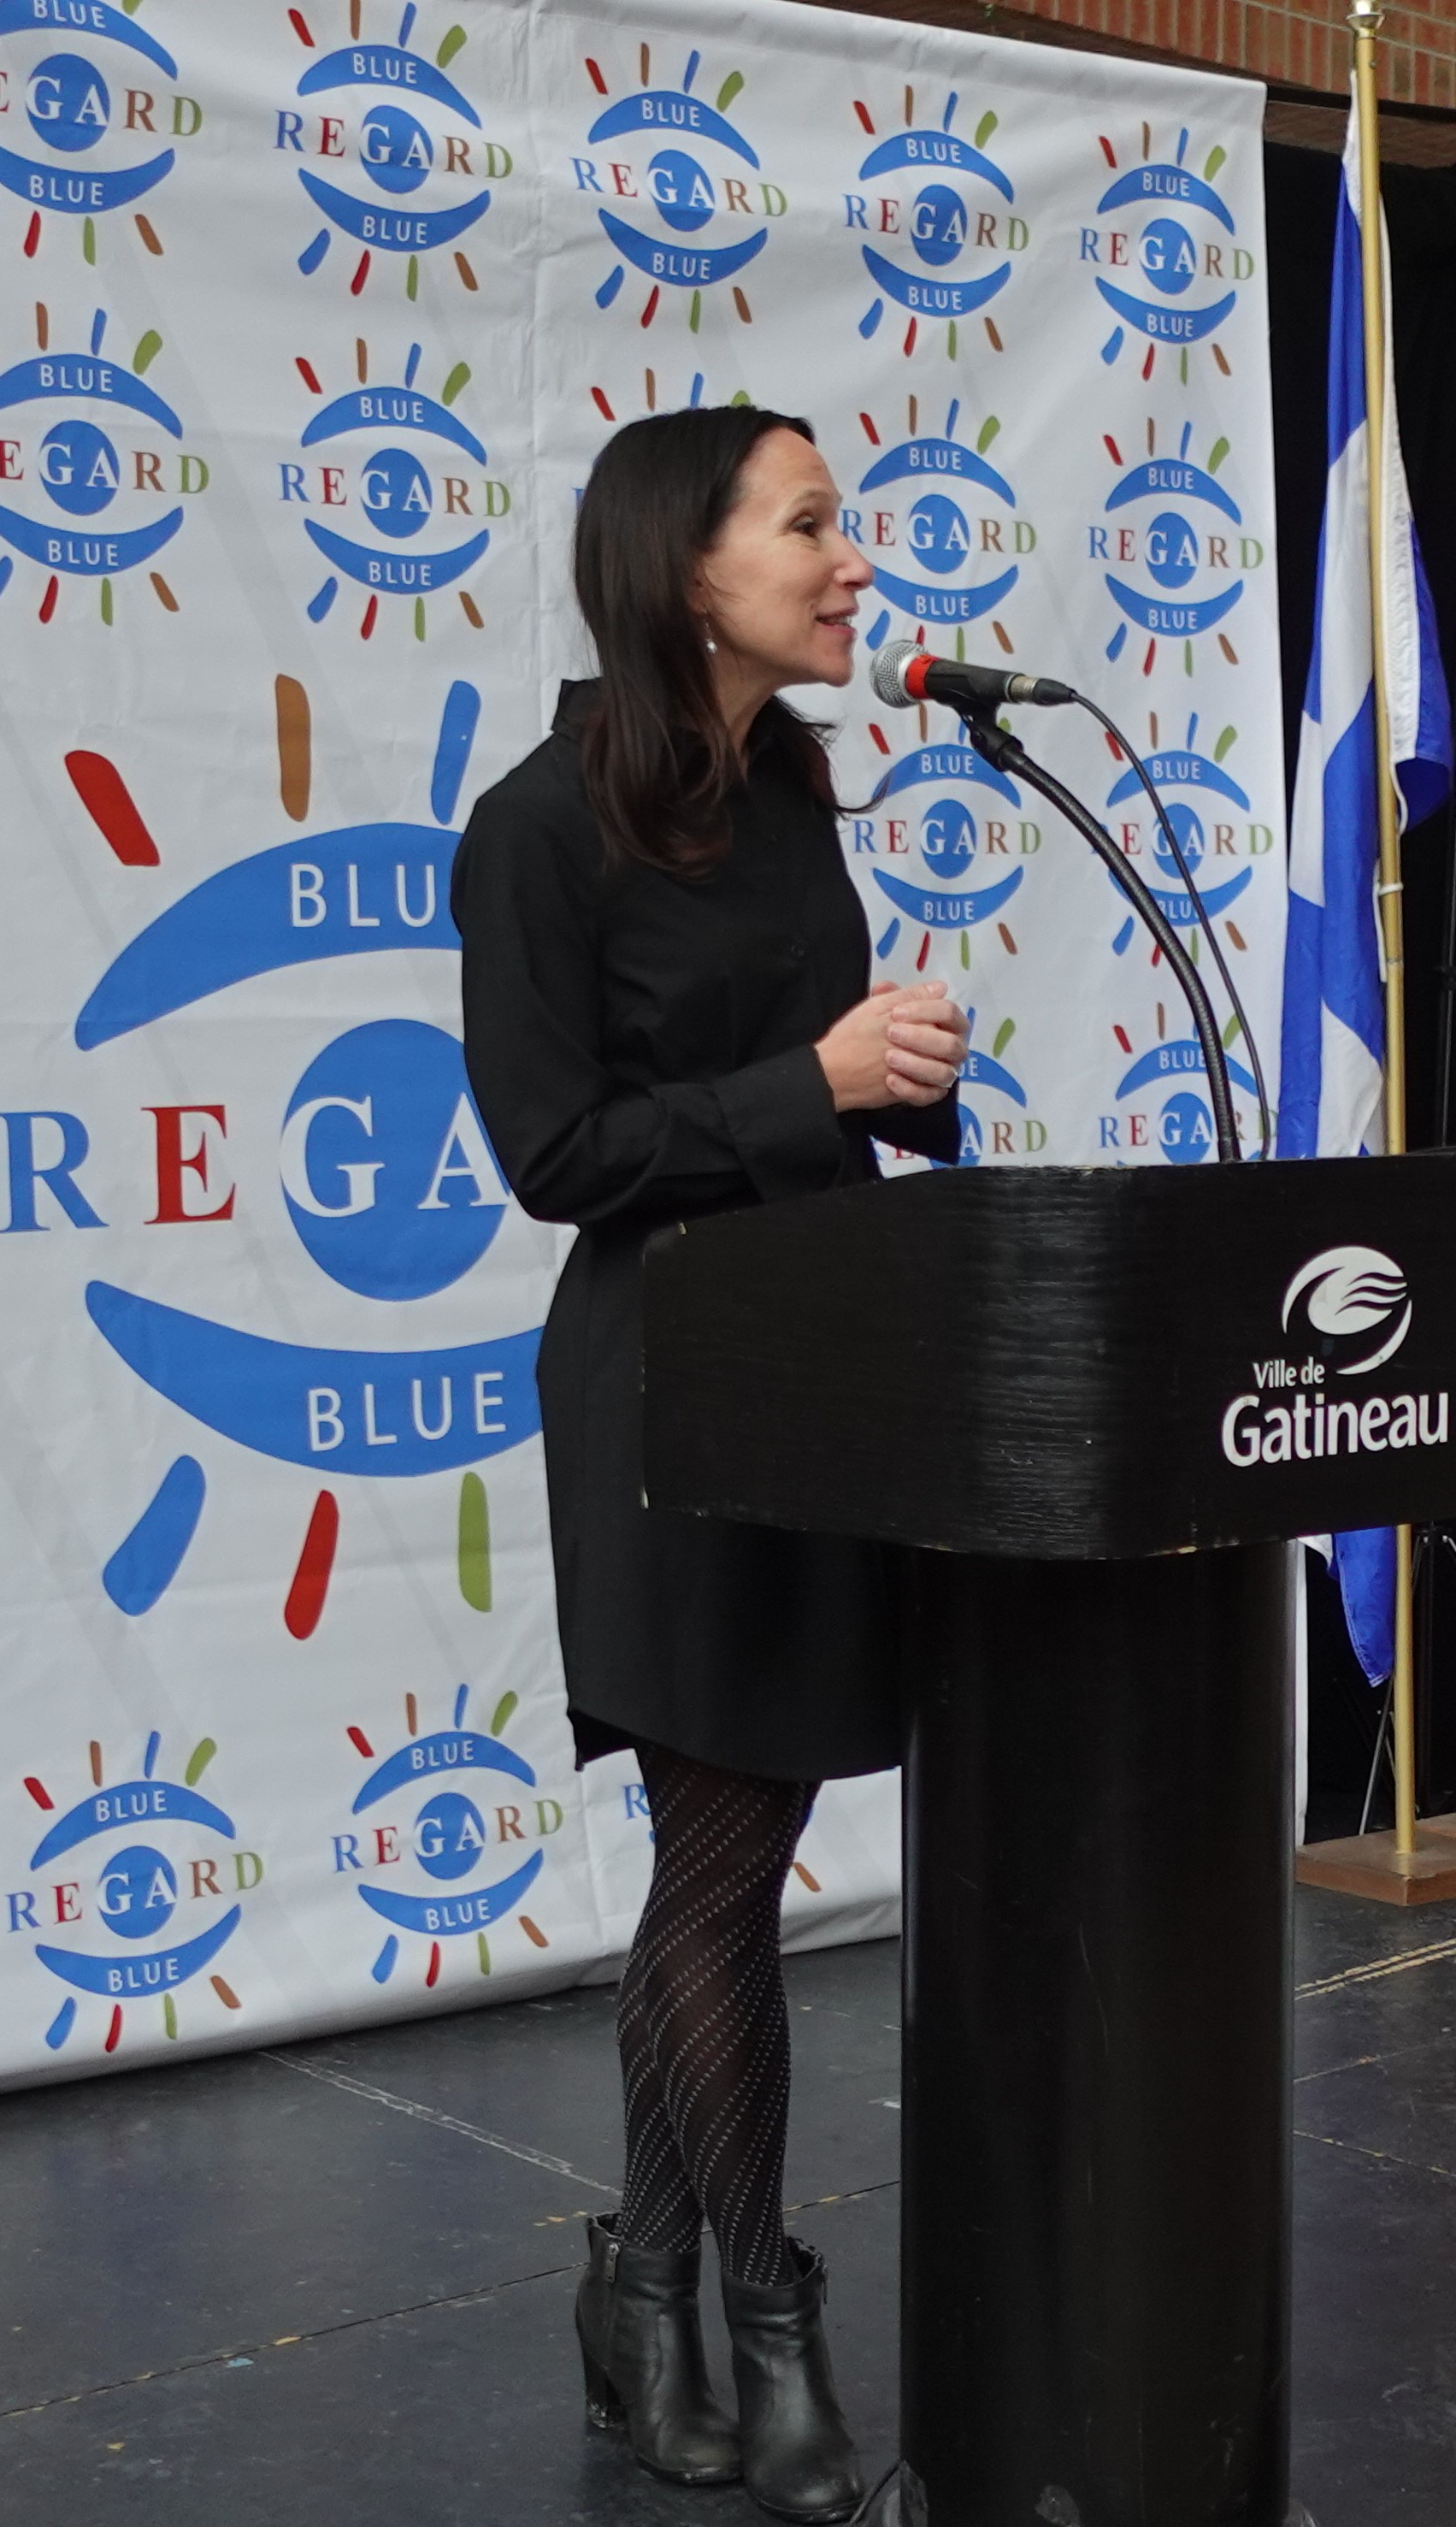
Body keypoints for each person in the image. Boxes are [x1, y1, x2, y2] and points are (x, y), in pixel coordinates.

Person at [452, 405, 963, 2522]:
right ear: (687, 569)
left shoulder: (791, 786)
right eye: (812, 524)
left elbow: (796, 1085)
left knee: (722, 1863)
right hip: (661, 1383)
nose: (855, 562)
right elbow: (557, 1152)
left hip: (815, 1359)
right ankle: (767, 2309)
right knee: (723, 1854)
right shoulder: (534, 826)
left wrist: (892, 1083)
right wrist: (809, 1079)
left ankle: (643, 2277)